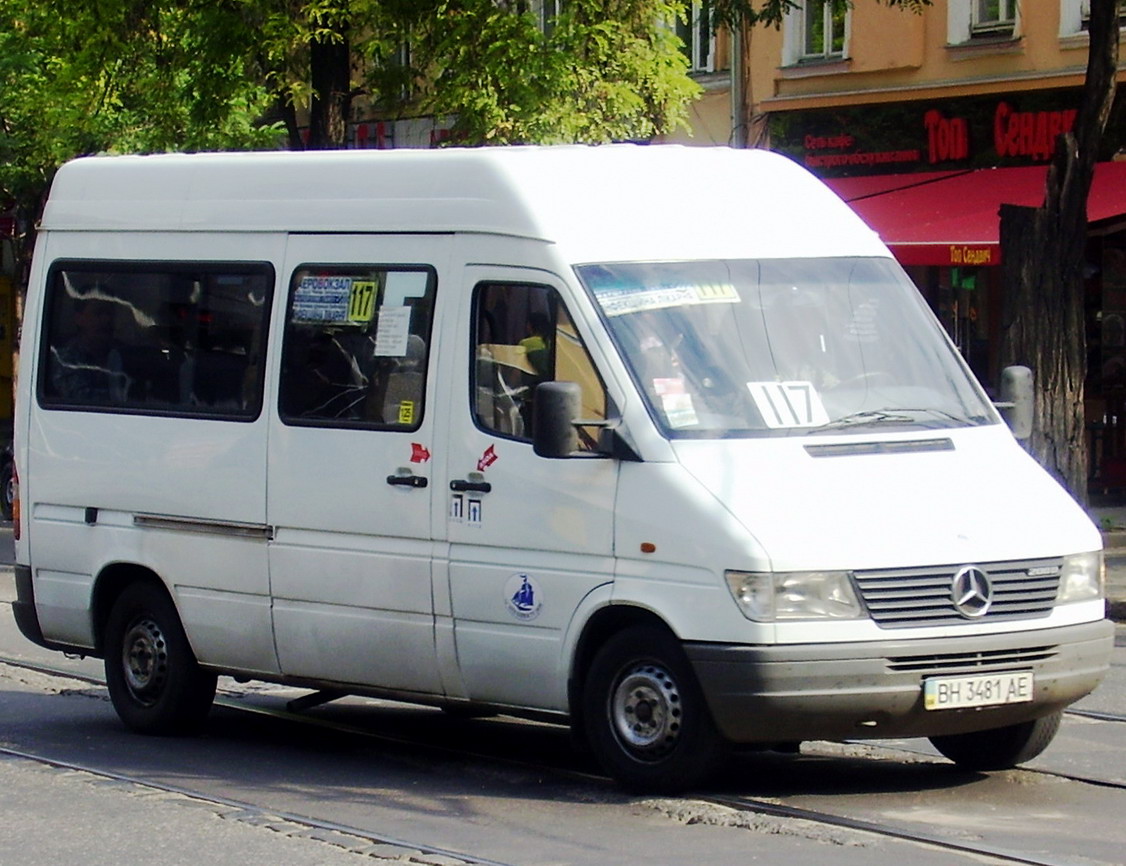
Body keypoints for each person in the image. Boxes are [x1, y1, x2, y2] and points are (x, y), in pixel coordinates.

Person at [49, 295, 127, 402]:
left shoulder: (124, 353)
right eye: (98, 313)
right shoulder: (65, 359)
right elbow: (83, 400)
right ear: (79, 318)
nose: (106, 319)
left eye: (109, 313)